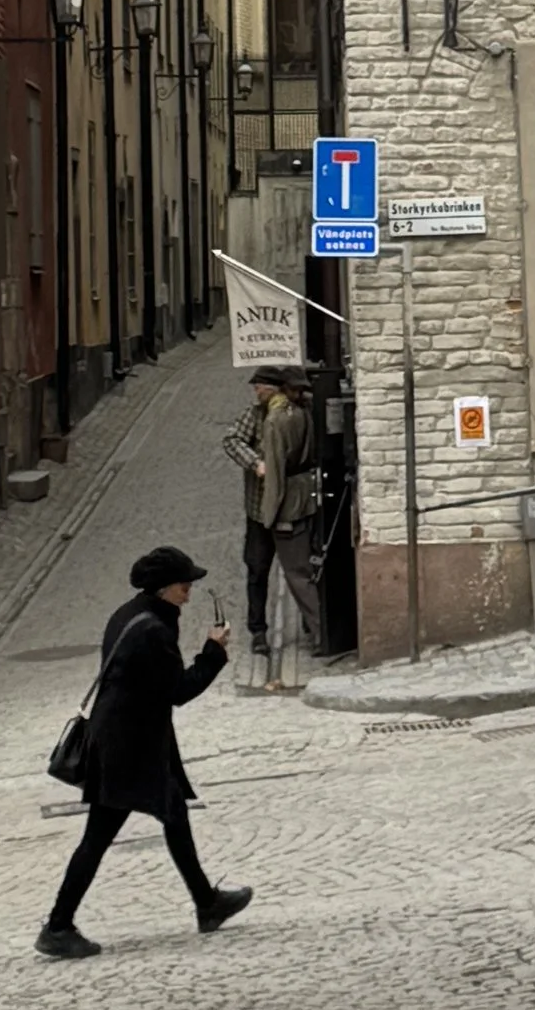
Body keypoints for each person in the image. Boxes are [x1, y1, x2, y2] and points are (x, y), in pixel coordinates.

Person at [36, 547, 253, 960]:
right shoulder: (152, 630)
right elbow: (178, 691)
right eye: (184, 585)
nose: (189, 592)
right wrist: (214, 652)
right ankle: (58, 926)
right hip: (127, 750)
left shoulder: (130, 614)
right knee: (98, 838)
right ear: (164, 589)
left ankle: (207, 903)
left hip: (126, 742)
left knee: (173, 813)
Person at [237, 371, 322, 658]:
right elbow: (233, 441)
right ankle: (259, 630)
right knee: (259, 569)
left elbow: (275, 480)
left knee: (298, 571)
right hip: (268, 507)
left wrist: (270, 516)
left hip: (275, 508)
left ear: (274, 389)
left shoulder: (277, 420)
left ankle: (317, 629)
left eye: (259, 386)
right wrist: (253, 462)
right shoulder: (266, 414)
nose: (255, 391)